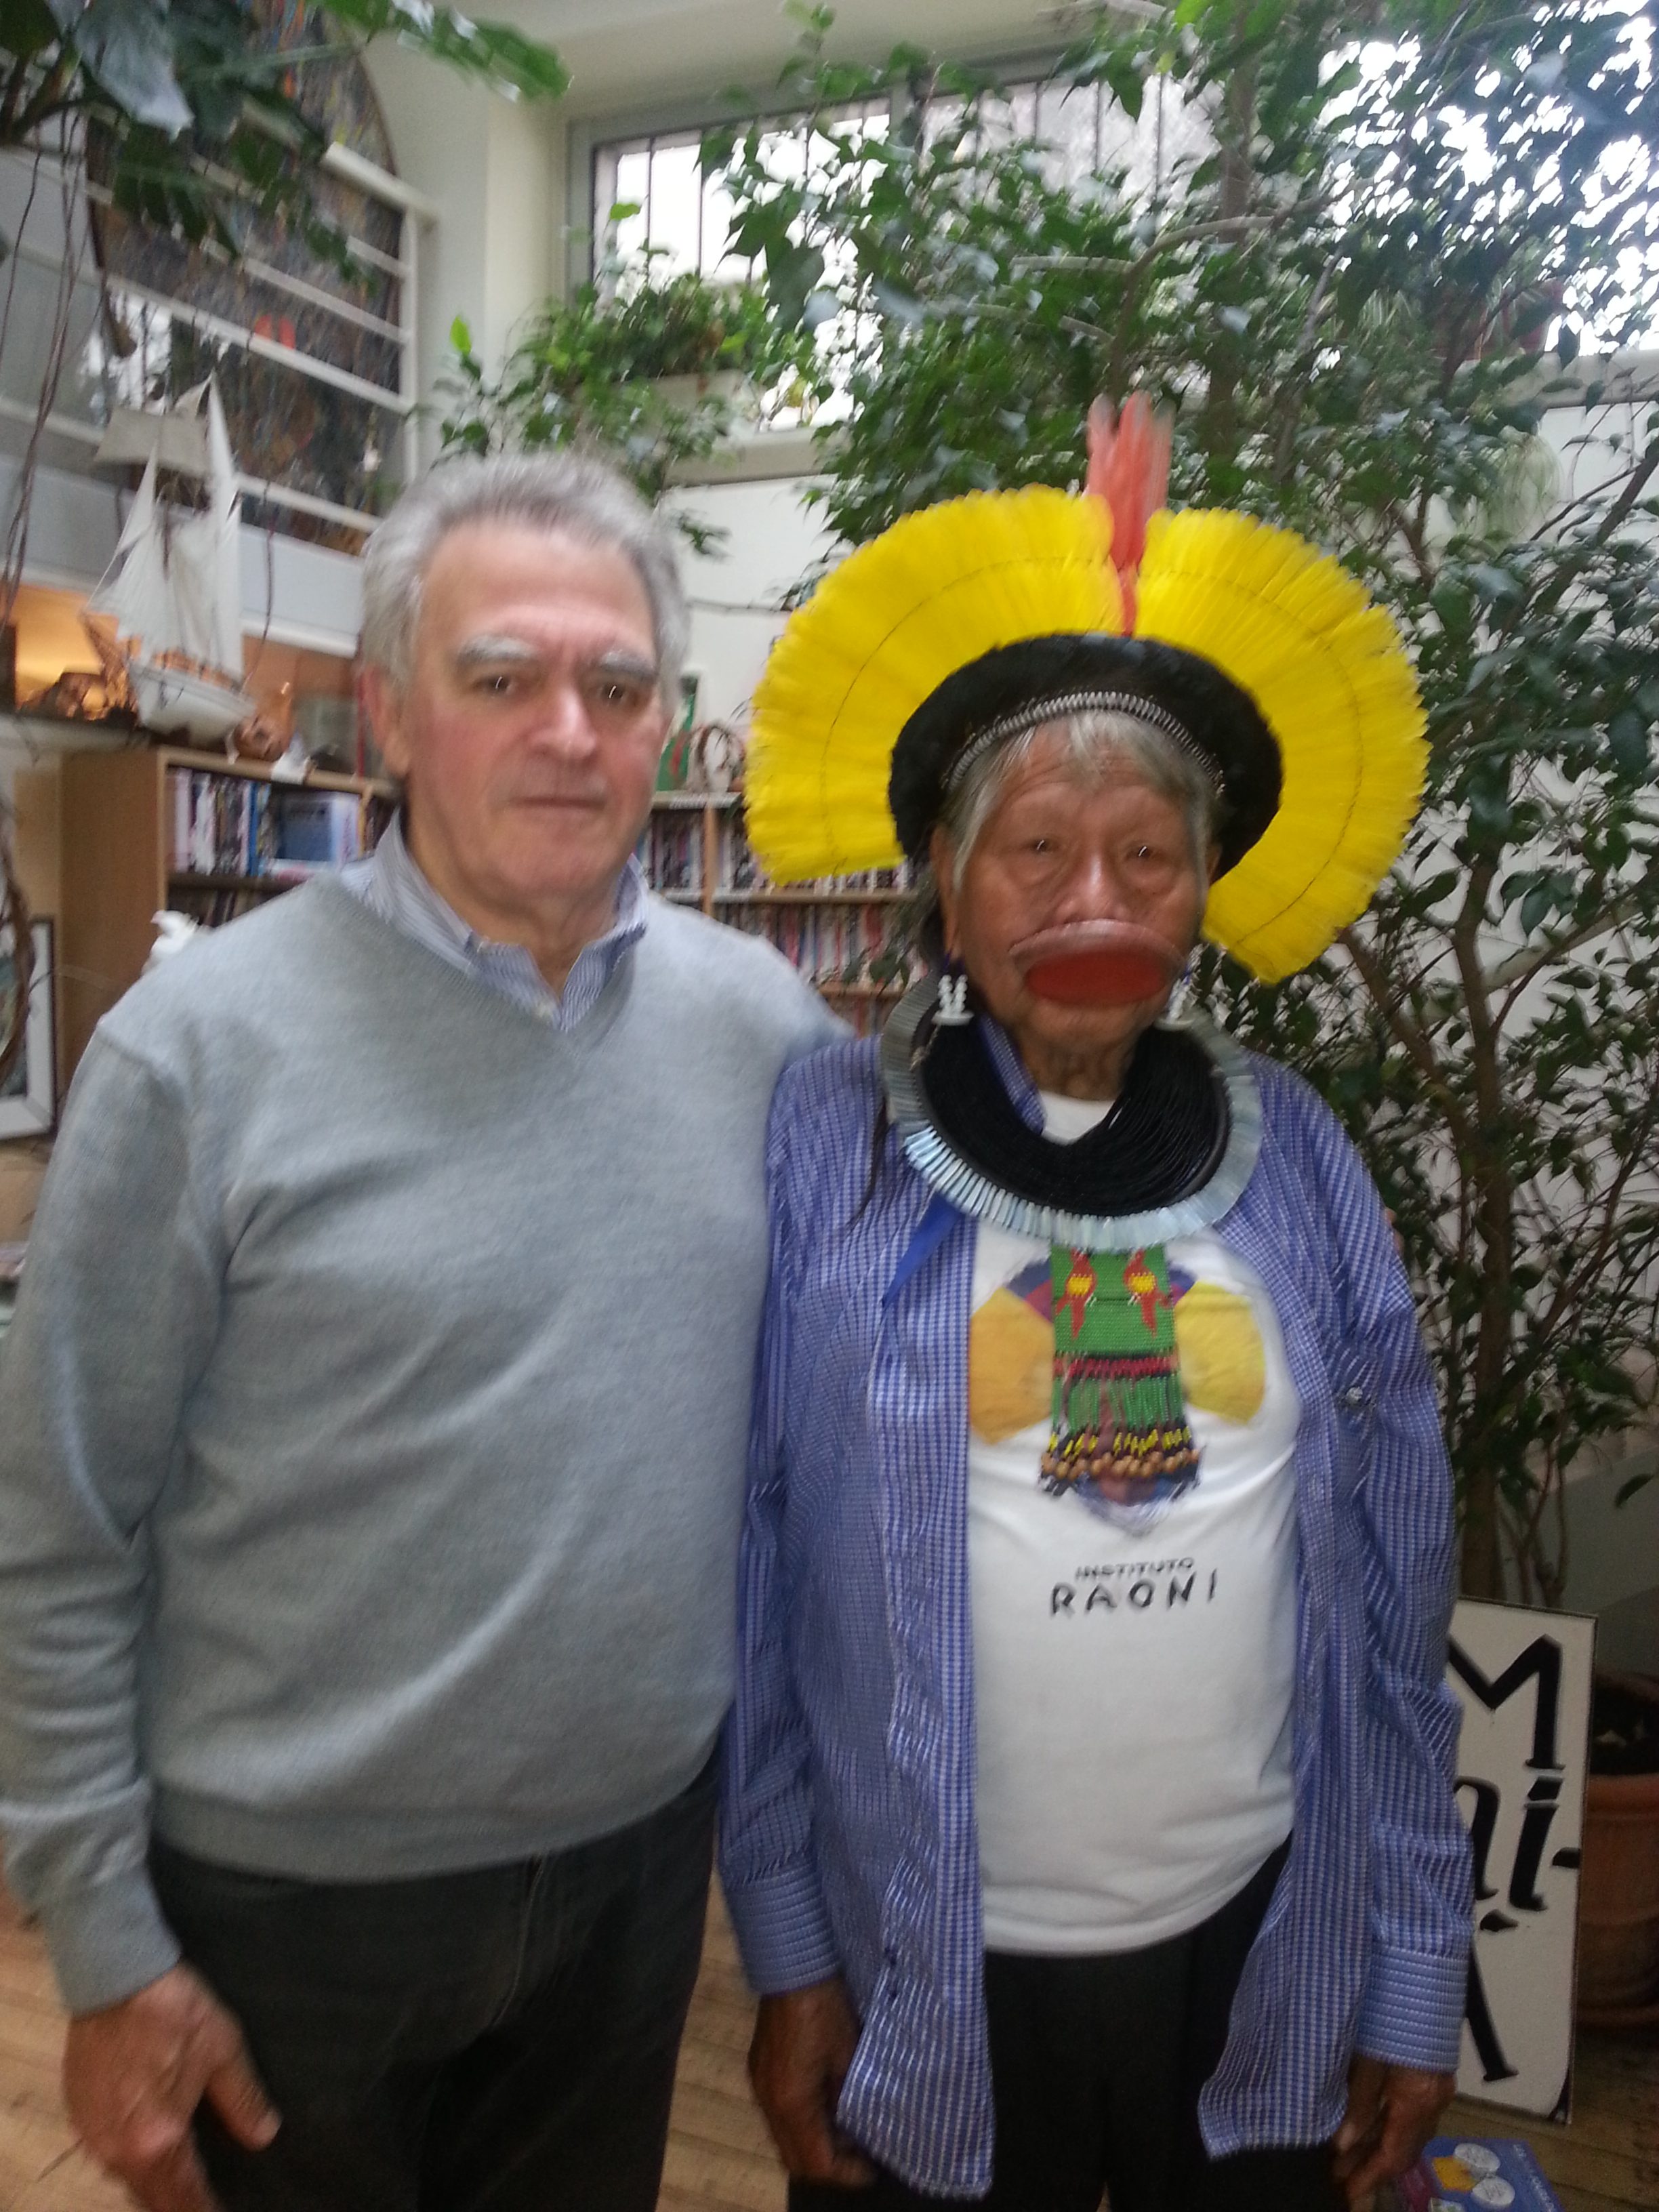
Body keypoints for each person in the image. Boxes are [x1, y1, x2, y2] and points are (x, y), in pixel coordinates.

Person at [0, 450, 834, 2212]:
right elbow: (54, 1529)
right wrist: (103, 1942)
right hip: (288, 1915)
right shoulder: (195, 1058)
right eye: (500, 678)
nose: (569, 733)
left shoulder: (768, 1038)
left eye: (619, 688)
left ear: (666, 727)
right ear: (388, 713)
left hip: (632, 1884)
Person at [720, 401, 1473, 2212]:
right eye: (1037, 850)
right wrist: (791, 1946)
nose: (1095, 902)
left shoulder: (1297, 1154)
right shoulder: (823, 1145)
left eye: (1147, 855)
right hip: (928, 1978)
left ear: (1204, 886)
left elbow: (1393, 1593)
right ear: (945, 879)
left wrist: (1411, 1958)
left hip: (1264, 1956)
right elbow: (754, 1562)